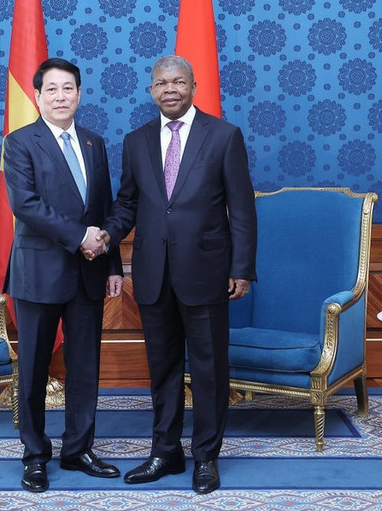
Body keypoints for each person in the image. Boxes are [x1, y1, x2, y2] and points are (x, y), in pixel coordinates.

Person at [97, 55, 257, 494]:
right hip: (153, 274)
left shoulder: (223, 136)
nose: (170, 89)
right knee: (163, 368)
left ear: (193, 87)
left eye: (179, 82)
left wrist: (242, 268)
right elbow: (128, 203)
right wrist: (107, 235)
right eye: (162, 83)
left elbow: (242, 209)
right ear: (151, 90)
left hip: (207, 272)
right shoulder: (136, 141)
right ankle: (165, 451)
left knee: (208, 370)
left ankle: (205, 456)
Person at [2, 57, 124, 493]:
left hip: (89, 273)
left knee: (85, 366)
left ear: (79, 94)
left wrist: (111, 263)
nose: (60, 96)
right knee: (34, 368)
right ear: (37, 96)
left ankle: (78, 449)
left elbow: (104, 207)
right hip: (38, 273)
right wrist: (80, 237)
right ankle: (35, 455)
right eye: (51, 89)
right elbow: (26, 205)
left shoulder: (94, 142)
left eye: (67, 88)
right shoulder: (20, 142)